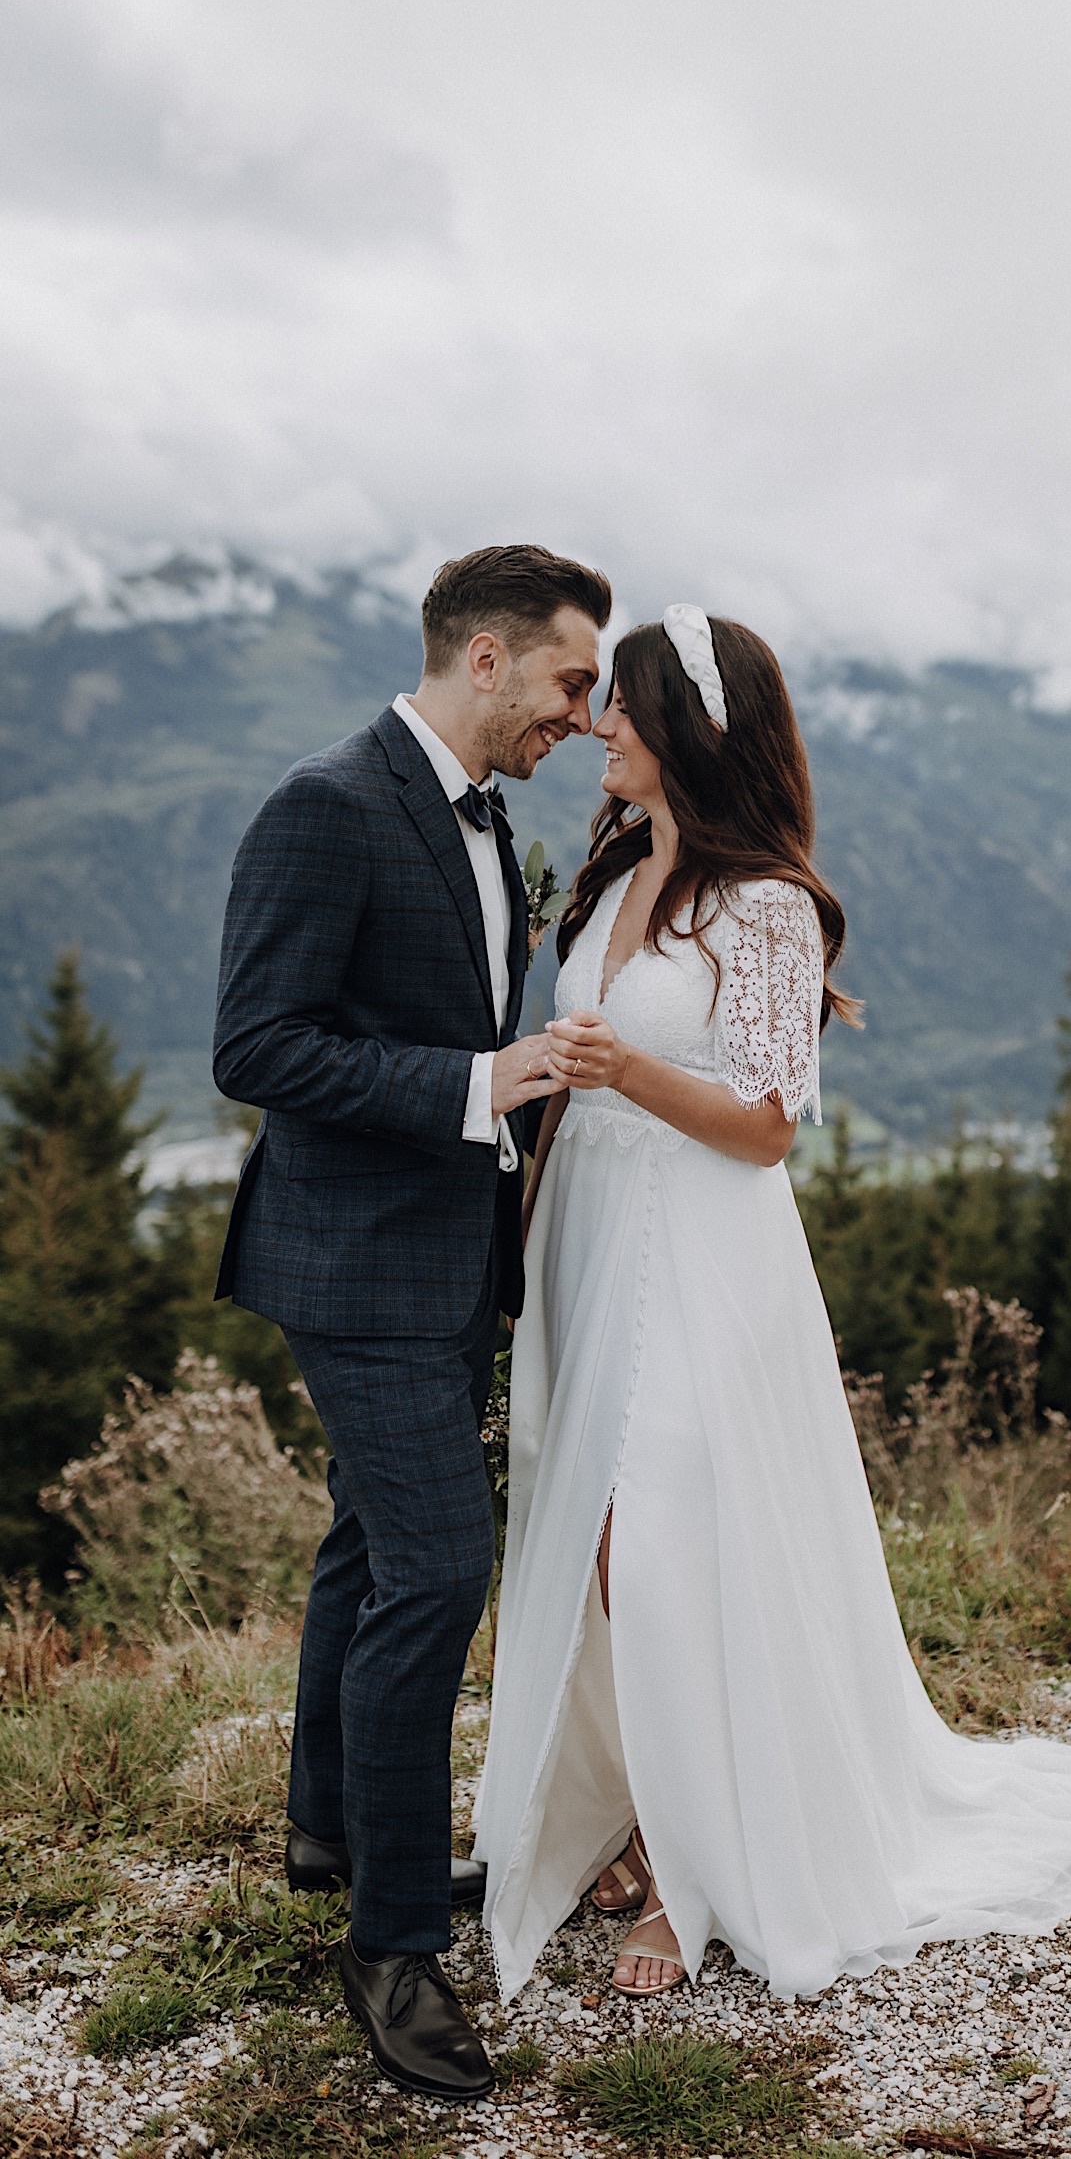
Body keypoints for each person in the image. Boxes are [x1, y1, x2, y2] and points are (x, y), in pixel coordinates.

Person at [472, 606, 1071, 2005]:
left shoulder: (769, 907)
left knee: (663, 1528)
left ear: (686, 732)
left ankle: (693, 1863)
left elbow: (767, 1124)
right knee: (587, 1522)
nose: (602, 725)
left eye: (625, 706)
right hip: (588, 1239)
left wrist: (622, 1073)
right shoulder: (613, 878)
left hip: (704, 1252)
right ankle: (630, 1792)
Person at [213, 543, 611, 2097]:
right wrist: (474, 1084)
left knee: (372, 1546)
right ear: (491, 657)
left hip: (450, 1256)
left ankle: (329, 1825)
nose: (583, 716)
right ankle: (390, 1942)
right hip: (353, 1263)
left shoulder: (490, 816)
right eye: (573, 681)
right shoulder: (326, 802)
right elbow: (256, 1042)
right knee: (442, 1568)